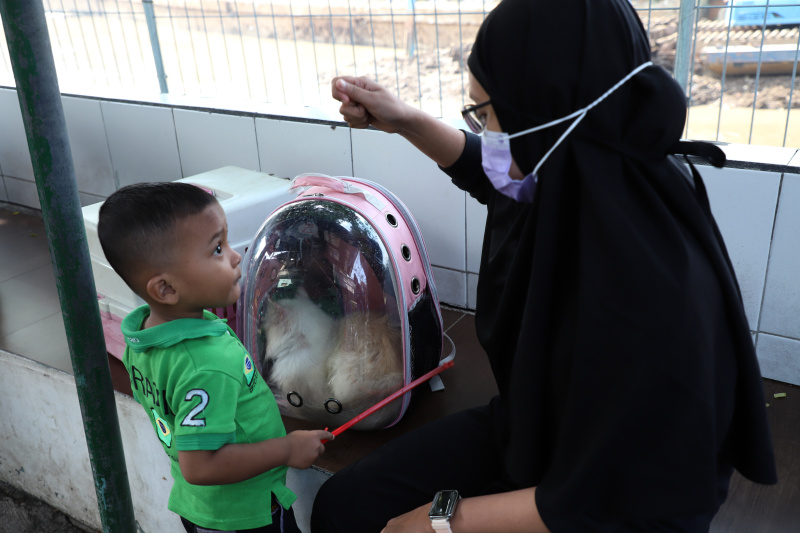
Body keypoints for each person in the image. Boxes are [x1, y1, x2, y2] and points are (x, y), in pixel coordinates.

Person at [311, 0, 777, 531]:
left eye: (486, 115)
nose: (485, 136)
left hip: (612, 499)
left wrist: (438, 521)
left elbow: (608, 500)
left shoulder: (648, 295)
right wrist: (406, 121)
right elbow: (493, 174)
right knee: (345, 507)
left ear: (545, 112)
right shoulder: (589, 169)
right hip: (537, 431)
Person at [97, 182, 333, 533]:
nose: (236, 256)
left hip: (202, 508)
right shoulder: (205, 363)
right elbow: (201, 465)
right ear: (166, 289)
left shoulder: (142, 337)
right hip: (242, 514)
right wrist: (286, 450)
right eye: (217, 249)